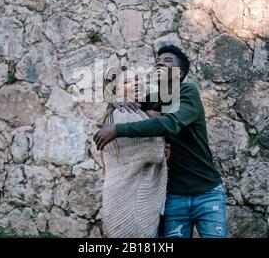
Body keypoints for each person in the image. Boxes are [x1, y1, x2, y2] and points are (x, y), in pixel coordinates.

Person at [94, 45, 227, 238]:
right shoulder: (153, 99)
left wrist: (118, 130)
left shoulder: (188, 92)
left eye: (168, 61)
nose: (160, 62)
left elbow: (172, 123)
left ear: (179, 73)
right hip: (173, 197)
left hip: (206, 192)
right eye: (158, 60)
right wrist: (115, 103)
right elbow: (121, 109)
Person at [98, 67, 169, 238]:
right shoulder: (124, 114)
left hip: (124, 196)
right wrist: (163, 145)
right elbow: (154, 152)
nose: (137, 84)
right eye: (129, 81)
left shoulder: (132, 112)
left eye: (138, 79)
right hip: (130, 202)